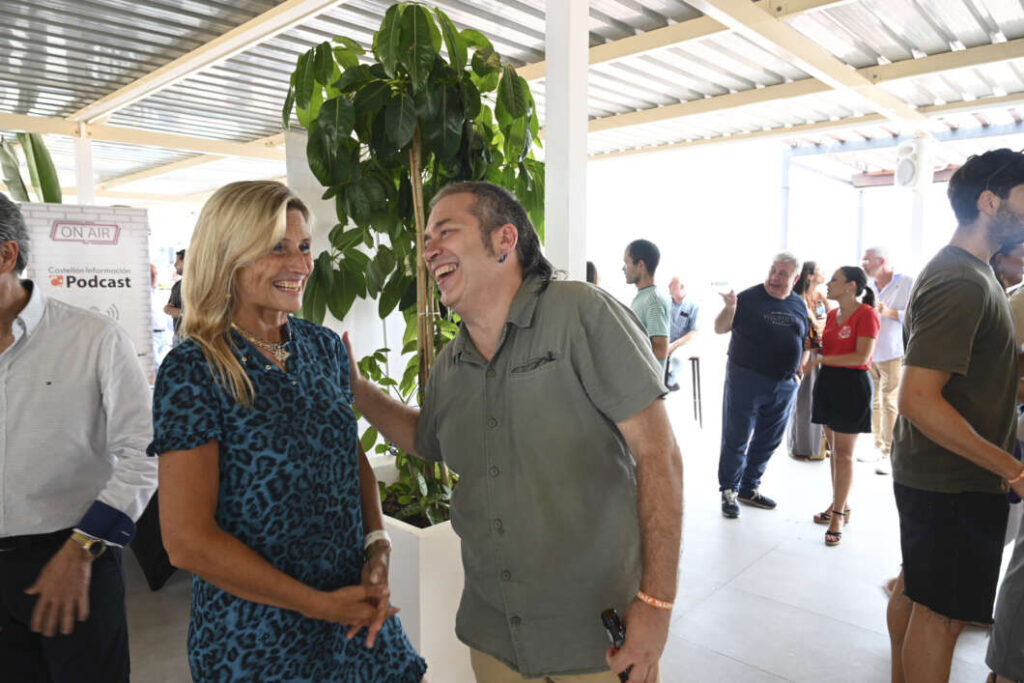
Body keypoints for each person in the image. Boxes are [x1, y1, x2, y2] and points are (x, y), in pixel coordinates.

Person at [347, 181, 683, 682]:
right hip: (495, 641)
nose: (429, 250)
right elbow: (425, 438)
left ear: (505, 240)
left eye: (446, 231)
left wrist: (656, 603)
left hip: (596, 642)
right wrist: (356, 388)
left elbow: (659, 455)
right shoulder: (451, 363)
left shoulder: (581, 313)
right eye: (426, 240)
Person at [149, 181, 426, 682]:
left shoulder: (322, 347)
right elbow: (187, 541)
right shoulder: (195, 368)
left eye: (303, 247)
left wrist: (377, 545)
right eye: (278, 248)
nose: (301, 264)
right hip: (256, 636)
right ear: (228, 255)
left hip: (354, 615)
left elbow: (349, 458)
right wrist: (317, 605)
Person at [0, 193, 158, 681]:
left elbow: (145, 452)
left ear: (6, 255)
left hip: (73, 557)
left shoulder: (93, 338)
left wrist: (81, 548)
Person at [886, 148, 1024, 683]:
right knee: (940, 616)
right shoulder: (962, 280)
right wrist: (1011, 469)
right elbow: (917, 399)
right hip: (955, 480)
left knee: (916, 591)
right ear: (989, 201)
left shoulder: (970, 272)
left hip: (939, 474)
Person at [715, 252, 809, 518]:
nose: (774, 277)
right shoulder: (748, 298)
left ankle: (749, 487)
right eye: (772, 271)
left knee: (769, 439)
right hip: (746, 379)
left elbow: (807, 339)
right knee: (737, 436)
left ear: (795, 278)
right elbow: (720, 328)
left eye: (782, 273)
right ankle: (729, 490)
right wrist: (730, 307)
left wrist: (800, 369)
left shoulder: (799, 304)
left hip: (784, 384)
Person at [806, 267, 879, 546]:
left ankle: (837, 516)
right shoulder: (833, 314)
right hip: (829, 383)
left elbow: (861, 356)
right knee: (835, 452)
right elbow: (831, 348)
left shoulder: (867, 314)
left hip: (852, 386)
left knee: (845, 455)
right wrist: (815, 349)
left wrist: (822, 360)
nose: (828, 284)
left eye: (835, 280)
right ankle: (840, 503)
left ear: (851, 286)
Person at [859, 246, 914, 475]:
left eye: (867, 260)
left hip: (894, 351)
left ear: (882, 261)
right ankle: (877, 446)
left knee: (889, 401)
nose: (863, 264)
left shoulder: (906, 282)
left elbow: (916, 314)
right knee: (874, 401)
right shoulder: (868, 285)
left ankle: (890, 453)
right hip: (871, 350)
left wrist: (889, 312)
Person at [787, 261, 828, 460]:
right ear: (809, 276)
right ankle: (801, 447)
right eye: (820, 270)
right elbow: (813, 327)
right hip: (805, 351)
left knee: (818, 399)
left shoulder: (819, 297)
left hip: (820, 350)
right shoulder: (797, 299)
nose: (824, 273)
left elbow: (827, 322)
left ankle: (817, 447)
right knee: (804, 400)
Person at [623, 239, 670, 370]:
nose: (623, 268)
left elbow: (661, 351)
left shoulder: (653, 300)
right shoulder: (643, 297)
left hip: (648, 381)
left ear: (640, 265)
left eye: (626, 262)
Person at [664, 276, 699, 391]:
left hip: (684, 343)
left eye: (671, 283)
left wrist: (673, 345)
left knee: (677, 359)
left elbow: (694, 332)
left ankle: (670, 380)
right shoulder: (665, 303)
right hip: (666, 340)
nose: (668, 286)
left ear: (681, 286)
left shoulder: (693, 305)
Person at [163, 249, 185, 347]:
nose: (175, 264)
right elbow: (167, 309)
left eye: (177, 261)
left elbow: (197, 315)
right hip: (178, 336)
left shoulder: (199, 285)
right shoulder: (177, 285)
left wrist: (176, 311)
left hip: (192, 337)